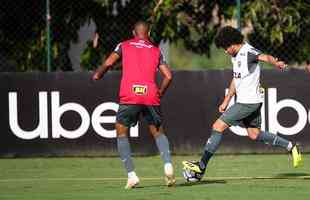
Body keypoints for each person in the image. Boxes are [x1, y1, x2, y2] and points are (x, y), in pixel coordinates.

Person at [183, 26, 303, 179]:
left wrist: (276, 63)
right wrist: (226, 100)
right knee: (254, 134)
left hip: (248, 103)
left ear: (233, 43)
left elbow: (265, 57)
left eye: (226, 48)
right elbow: (236, 78)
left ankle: (200, 168)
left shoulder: (248, 51)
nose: (225, 51)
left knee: (217, 126)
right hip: (251, 102)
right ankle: (291, 147)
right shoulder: (235, 56)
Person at [92, 21, 175, 189]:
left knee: (121, 132)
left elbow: (108, 63)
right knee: (158, 133)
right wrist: (159, 93)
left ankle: (131, 175)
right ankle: (168, 166)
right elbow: (168, 76)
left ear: (133, 32)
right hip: (150, 95)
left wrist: (98, 75)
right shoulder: (155, 50)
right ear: (149, 32)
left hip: (130, 95)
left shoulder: (123, 45)